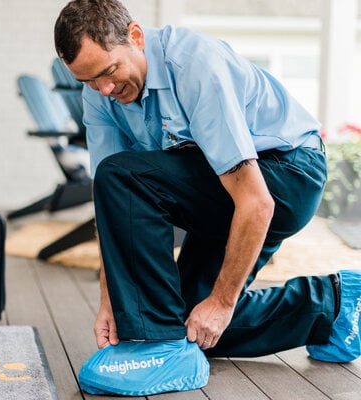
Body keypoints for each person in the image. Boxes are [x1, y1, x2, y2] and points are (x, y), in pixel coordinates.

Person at [53, 0, 361, 395]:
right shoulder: (100, 94)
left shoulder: (195, 66)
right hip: (218, 180)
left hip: (287, 173)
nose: (105, 89)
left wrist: (222, 302)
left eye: (109, 72)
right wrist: (111, 296)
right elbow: (110, 200)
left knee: (127, 179)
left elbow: (257, 202)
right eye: (90, 80)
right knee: (188, 323)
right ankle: (334, 304)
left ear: (135, 36)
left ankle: (158, 346)